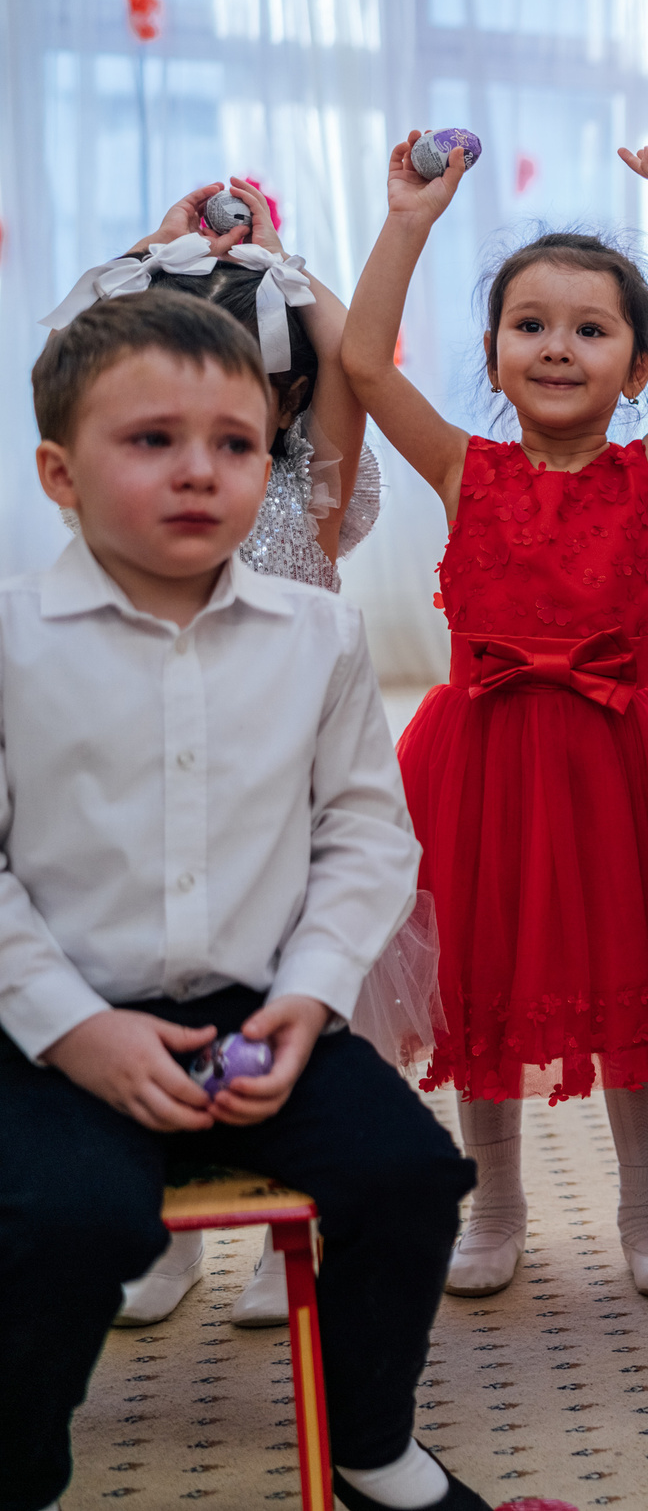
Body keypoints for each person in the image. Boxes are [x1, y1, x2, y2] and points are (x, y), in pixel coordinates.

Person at [0, 291, 486, 1511]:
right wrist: (74, 1027)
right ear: (60, 472)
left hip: (261, 1011)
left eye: (235, 443)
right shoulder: (10, 640)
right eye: (152, 439)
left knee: (411, 1178)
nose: (199, 472)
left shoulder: (316, 633)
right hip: (50, 1024)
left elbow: (367, 831)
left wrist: (313, 997)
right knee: (72, 1222)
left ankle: (371, 1442)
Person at [338, 135, 648, 1301]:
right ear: (494, 353)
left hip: (620, 766)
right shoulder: (467, 471)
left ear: (634, 368)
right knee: (485, 985)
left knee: (636, 984)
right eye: (530, 324)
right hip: (481, 764)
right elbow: (365, 364)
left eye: (590, 327)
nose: (556, 345)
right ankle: (498, 1204)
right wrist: (409, 221)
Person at [41, 179, 435, 1331]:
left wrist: (283, 266)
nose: (199, 453)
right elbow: (73, 357)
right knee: (154, 1001)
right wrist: (150, 249)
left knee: (295, 1014)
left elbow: (351, 360)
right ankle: (158, 1227)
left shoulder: (308, 488)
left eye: (239, 415)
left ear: (282, 416)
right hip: (146, 795)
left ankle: (288, 1227)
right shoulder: (126, 485)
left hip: (279, 807)